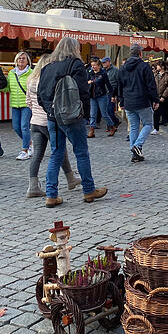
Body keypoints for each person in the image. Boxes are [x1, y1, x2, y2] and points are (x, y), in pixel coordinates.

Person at [37, 37, 107, 207]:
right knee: (81, 152)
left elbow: (40, 94)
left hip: (53, 116)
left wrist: (49, 110)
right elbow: (83, 91)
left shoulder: (47, 67)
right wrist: (85, 114)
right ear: (75, 49)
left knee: (56, 154)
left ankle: (51, 194)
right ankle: (89, 190)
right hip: (71, 116)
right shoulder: (76, 65)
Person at [25, 54, 81, 197]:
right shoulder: (48, 80)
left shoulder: (30, 80)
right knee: (59, 150)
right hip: (48, 120)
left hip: (35, 122)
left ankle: (32, 186)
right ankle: (70, 178)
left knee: (37, 154)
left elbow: (29, 102)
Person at [117, 44, 160, 163]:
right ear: (140, 53)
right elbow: (151, 85)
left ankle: (135, 153)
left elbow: (120, 85)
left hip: (128, 101)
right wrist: (155, 99)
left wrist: (121, 100)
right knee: (148, 124)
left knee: (134, 127)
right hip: (142, 100)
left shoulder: (123, 67)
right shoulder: (144, 66)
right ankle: (137, 145)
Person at [3, 51, 33, 160]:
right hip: (15, 103)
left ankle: (24, 150)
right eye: (19, 58)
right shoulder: (11, 73)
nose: (21, 60)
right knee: (16, 127)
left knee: (24, 127)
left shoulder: (31, 73)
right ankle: (29, 143)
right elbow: (8, 88)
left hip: (26, 104)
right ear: (16, 60)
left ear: (27, 61)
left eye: (23, 58)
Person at [87, 59, 117, 138]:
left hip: (102, 96)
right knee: (92, 114)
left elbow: (108, 85)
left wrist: (113, 95)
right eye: (92, 65)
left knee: (104, 114)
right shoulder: (90, 73)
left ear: (99, 66)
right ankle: (92, 130)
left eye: (94, 65)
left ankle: (112, 126)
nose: (93, 67)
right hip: (92, 96)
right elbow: (86, 81)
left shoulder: (103, 74)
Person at [152, 62, 168, 134]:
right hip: (157, 96)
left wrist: (163, 96)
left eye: (158, 65)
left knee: (164, 112)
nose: (157, 67)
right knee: (156, 112)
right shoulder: (156, 75)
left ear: (162, 66)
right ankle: (156, 128)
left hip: (165, 97)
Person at [101, 57, 121, 131]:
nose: (103, 64)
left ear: (109, 62)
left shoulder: (115, 70)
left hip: (111, 93)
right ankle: (114, 123)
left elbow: (118, 83)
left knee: (110, 110)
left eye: (104, 62)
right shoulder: (102, 71)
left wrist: (115, 95)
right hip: (103, 93)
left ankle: (112, 124)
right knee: (106, 111)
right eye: (102, 63)